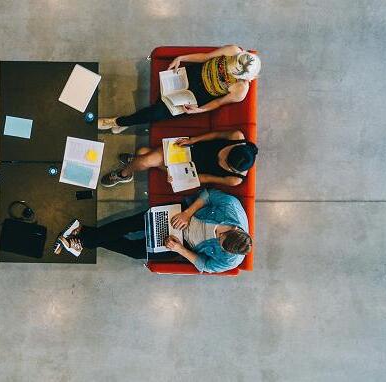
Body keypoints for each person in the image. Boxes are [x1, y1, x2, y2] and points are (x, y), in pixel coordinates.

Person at [54, 189, 251, 274]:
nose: (217, 240)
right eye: (220, 237)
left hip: (183, 244)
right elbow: (208, 195)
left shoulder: (230, 259)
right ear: (233, 228)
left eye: (221, 246)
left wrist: (179, 249)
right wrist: (188, 213)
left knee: (136, 251)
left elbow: (205, 265)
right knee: (130, 225)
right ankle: (84, 238)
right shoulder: (232, 208)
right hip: (181, 213)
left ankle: (83, 234)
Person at [98, 45, 261, 134]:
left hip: (201, 95)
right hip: (194, 74)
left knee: (158, 113)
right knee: (162, 97)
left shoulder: (241, 89)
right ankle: (133, 119)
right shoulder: (233, 51)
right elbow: (205, 57)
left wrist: (198, 110)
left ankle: (118, 121)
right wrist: (181, 58)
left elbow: (218, 102)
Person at [100, 129, 257, 187]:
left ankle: (124, 174)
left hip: (188, 169)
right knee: (143, 156)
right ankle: (129, 170)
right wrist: (193, 140)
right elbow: (215, 135)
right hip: (186, 149)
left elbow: (207, 178)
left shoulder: (234, 179)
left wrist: (180, 179)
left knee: (142, 156)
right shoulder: (236, 137)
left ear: (233, 169)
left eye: (225, 163)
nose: (221, 158)